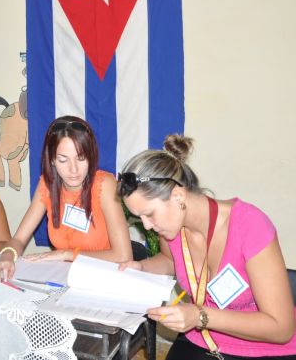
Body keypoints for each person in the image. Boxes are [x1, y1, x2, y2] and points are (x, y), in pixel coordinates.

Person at [117, 134, 296, 360]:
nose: (147, 226)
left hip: (264, 349)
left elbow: (281, 329)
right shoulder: (172, 226)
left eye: (149, 214)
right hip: (203, 339)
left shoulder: (249, 225)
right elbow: (171, 261)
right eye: (139, 217)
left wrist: (199, 316)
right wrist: (141, 268)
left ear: (178, 196)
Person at [0, 115, 132, 282]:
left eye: (81, 158)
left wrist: (67, 254)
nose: (73, 169)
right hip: (64, 276)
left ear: (91, 156)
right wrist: (6, 256)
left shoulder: (105, 185)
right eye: (63, 160)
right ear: (52, 161)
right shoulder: (47, 185)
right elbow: (19, 239)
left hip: (104, 277)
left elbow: (123, 255)